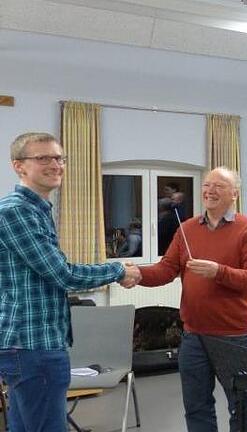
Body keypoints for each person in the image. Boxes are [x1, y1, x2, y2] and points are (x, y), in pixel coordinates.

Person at [0, 132, 141, 432]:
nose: (55, 164)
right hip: (33, 345)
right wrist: (118, 271)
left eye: (59, 158)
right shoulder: (16, 211)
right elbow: (62, 274)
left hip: (35, 344)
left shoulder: (36, 209)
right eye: (43, 158)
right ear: (19, 166)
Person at [134, 166, 247, 432]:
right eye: (207, 185)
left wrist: (219, 272)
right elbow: (166, 269)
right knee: (196, 408)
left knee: (240, 408)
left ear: (235, 194)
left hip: (234, 337)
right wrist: (136, 274)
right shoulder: (187, 229)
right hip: (193, 337)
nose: (210, 190)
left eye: (219, 185)